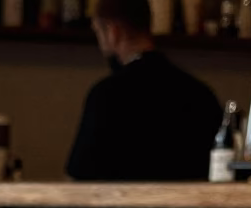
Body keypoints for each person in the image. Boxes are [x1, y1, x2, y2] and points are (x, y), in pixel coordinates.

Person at [66, 0, 222, 182]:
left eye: (98, 32)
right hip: (192, 201)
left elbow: (79, 176)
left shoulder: (106, 95)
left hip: (121, 200)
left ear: (113, 32)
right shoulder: (200, 94)